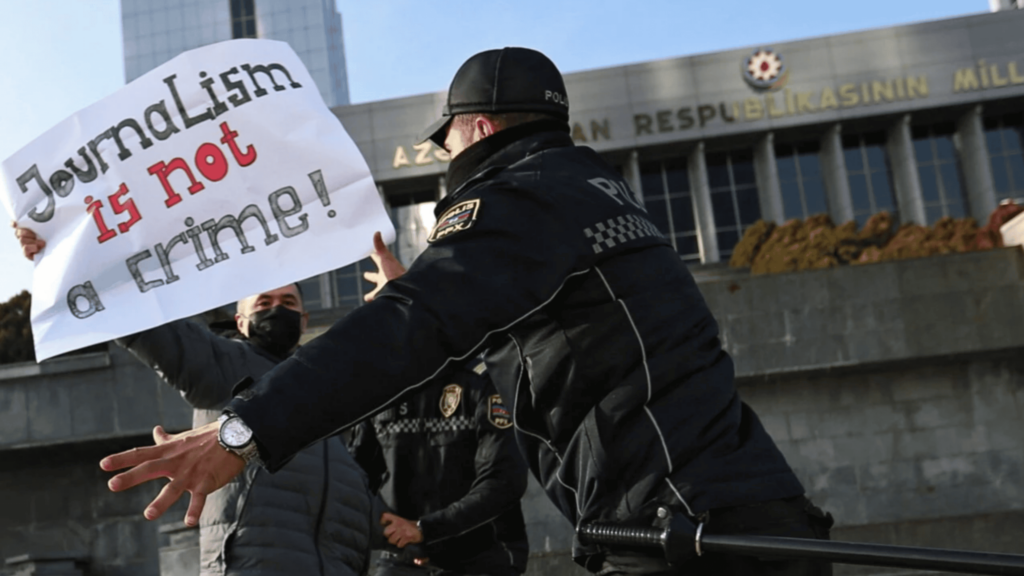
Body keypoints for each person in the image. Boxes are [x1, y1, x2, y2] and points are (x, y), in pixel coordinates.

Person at [99, 47, 834, 575]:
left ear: (477, 128)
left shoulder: (520, 197)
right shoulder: (592, 192)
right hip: (737, 515)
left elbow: (419, 325)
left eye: (445, 137)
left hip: (683, 530)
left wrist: (244, 430)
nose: (442, 152)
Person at [14, 223, 384, 576]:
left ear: (304, 320)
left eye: (287, 301)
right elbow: (143, 319)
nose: (276, 308)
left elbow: (358, 489)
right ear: (240, 322)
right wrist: (68, 256)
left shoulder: (330, 390)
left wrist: (409, 533)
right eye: (264, 302)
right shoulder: (223, 364)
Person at [348, 240, 529, 576]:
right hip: (399, 559)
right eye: (391, 308)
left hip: (482, 560)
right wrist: (398, 536)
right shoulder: (377, 390)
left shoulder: (483, 379)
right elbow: (354, 479)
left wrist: (426, 529)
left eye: (411, 304)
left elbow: (504, 481)